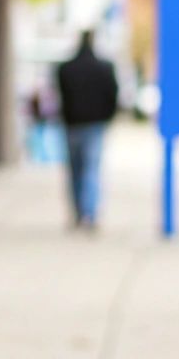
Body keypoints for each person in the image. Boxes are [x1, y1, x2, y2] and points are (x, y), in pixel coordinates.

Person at [55, 30, 120, 231]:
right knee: (91, 170)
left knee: (75, 171)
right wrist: (106, 117)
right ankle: (89, 215)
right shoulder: (104, 68)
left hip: (72, 125)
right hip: (94, 125)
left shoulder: (65, 68)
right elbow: (113, 96)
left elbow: (61, 97)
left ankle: (78, 213)